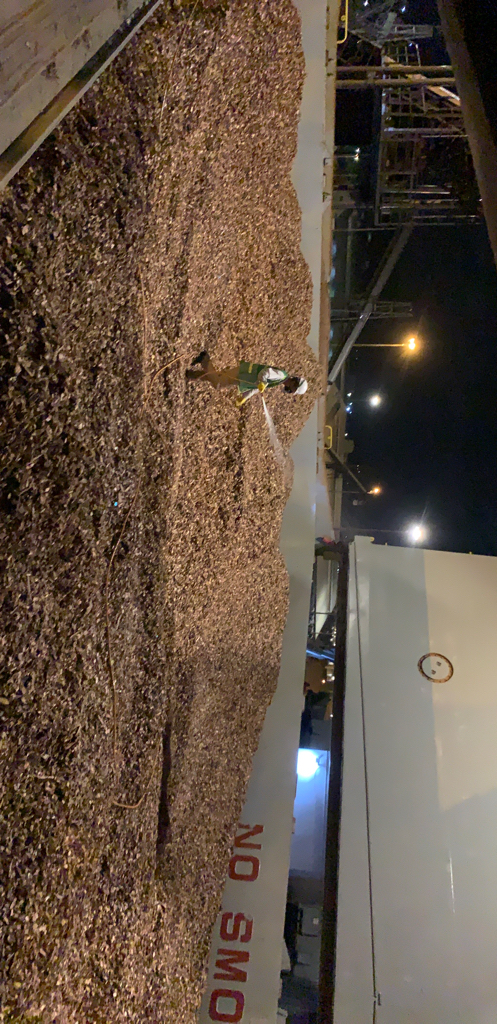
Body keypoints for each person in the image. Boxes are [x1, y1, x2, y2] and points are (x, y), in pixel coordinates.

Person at [186, 351, 308, 407]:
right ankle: (205, 359)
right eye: (293, 390)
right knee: (218, 383)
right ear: (294, 384)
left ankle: (190, 375)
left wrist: (244, 397)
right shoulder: (281, 376)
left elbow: (256, 388)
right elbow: (265, 373)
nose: (290, 391)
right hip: (243, 373)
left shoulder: (279, 381)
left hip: (243, 377)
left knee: (217, 378)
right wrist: (262, 383)